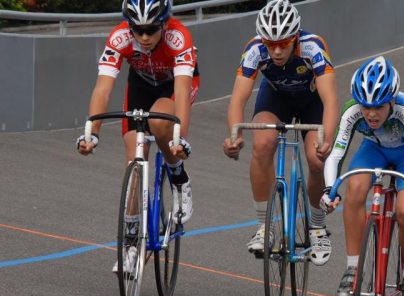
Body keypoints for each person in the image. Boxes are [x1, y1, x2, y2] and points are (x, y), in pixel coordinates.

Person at [77, 0, 199, 273]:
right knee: (134, 156)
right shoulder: (120, 37)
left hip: (173, 88)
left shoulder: (178, 37)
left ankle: (178, 174)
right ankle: (132, 242)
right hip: (141, 86)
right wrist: (92, 133)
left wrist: (179, 139)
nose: (144, 37)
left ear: (165, 24)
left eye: (151, 29)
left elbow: (181, 93)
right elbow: (102, 90)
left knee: (159, 121)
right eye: (137, 30)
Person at [222, 0, 338, 266]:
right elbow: (237, 100)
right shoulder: (254, 50)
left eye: (283, 44)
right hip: (277, 99)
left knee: (316, 159)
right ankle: (265, 227)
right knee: (262, 145)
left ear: (295, 38)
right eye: (269, 44)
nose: (275, 51)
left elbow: (330, 100)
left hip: (312, 102)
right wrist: (234, 135)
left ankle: (318, 228)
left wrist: (327, 139)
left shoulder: (313, 47)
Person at [321, 56, 404, 296]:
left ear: (392, 101)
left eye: (379, 107)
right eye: (366, 107)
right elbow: (336, 155)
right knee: (355, 187)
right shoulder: (352, 112)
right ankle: (352, 269)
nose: (371, 114)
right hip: (374, 151)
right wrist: (329, 189)